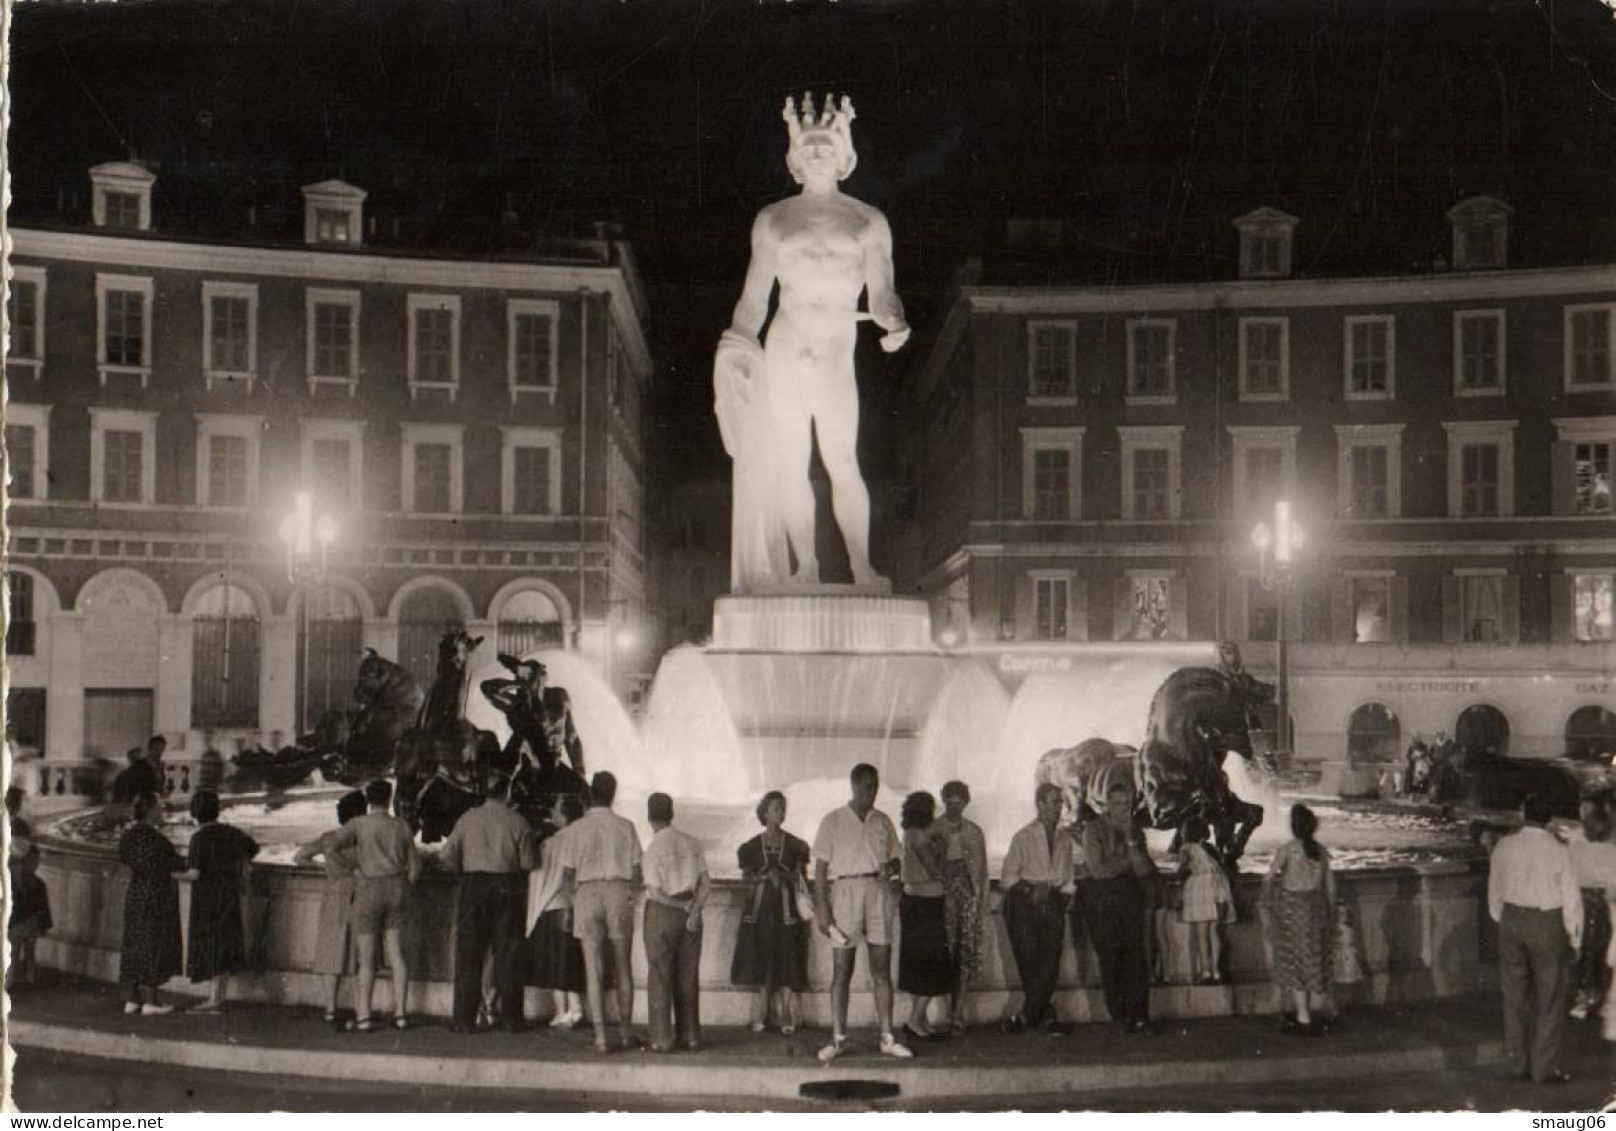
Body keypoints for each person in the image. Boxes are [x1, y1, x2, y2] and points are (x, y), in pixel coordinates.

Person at [716, 93, 910, 591]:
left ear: (845, 156)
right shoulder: (774, 219)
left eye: (827, 144)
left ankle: (862, 568)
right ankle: (807, 567)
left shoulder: (868, 221)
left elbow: (884, 291)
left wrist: (894, 321)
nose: (818, 152)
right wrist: (736, 344)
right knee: (791, 458)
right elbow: (755, 298)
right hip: (787, 336)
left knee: (842, 459)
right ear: (795, 158)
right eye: (810, 145)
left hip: (835, 342)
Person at [811, 763, 912, 1062]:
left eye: (875, 785)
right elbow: (819, 870)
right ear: (854, 786)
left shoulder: (882, 821)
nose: (872, 791)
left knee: (881, 969)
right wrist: (823, 911)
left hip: (878, 893)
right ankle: (838, 1038)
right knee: (842, 970)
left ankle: (887, 1037)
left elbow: (897, 860)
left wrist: (891, 868)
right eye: (867, 785)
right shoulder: (833, 820)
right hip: (844, 894)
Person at [1489, 793, 1583, 1082]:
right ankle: (1543, 1069)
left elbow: (1495, 889)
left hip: (1512, 919)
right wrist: (1574, 938)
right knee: (1550, 996)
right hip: (1547, 922)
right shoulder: (1559, 850)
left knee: (1513, 994)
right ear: (1551, 820)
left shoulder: (1504, 845)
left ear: (1523, 813)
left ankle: (1516, 1062)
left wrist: (1502, 918)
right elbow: (1571, 898)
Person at [440, 766, 538, 1034]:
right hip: (508, 887)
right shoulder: (517, 821)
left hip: (473, 885)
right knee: (508, 953)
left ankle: (463, 1020)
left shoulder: (467, 819)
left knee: (469, 953)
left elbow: (446, 857)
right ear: (507, 792)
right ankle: (511, 1019)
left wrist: (464, 871)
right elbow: (529, 862)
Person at [323, 779, 420, 1032]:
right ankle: (400, 1014)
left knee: (366, 959)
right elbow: (415, 866)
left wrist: (352, 869)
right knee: (397, 954)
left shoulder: (358, 824)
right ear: (389, 799)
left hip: (368, 890)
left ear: (368, 800)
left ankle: (364, 1017)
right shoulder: (402, 826)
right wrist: (406, 887)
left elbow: (330, 845)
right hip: (397, 889)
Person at [560, 770, 642, 1054]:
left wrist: (571, 906)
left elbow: (567, 874)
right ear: (613, 794)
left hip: (586, 893)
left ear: (590, 794)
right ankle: (626, 1032)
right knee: (623, 967)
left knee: (593, 969)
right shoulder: (627, 826)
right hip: (618, 891)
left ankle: (600, 1038)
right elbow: (636, 872)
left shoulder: (576, 829)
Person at [1079, 782, 1159, 1035]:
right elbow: (1097, 869)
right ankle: (1120, 1014)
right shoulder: (1093, 830)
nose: (1122, 809)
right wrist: (1128, 861)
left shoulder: (1135, 832)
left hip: (1129, 896)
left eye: (1127, 804)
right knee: (1111, 955)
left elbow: (1144, 870)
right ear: (1107, 805)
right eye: (1117, 803)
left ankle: (1140, 1016)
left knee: (1135, 955)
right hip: (1101, 898)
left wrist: (1130, 844)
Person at [730, 789, 810, 1034]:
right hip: (761, 909)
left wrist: (783, 874)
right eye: (776, 808)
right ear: (765, 813)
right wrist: (764, 877)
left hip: (787, 910)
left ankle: (785, 1013)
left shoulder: (796, 844)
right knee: (761, 957)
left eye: (783, 808)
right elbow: (746, 879)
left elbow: (801, 879)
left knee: (787, 957)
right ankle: (763, 1012)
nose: (781, 812)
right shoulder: (751, 847)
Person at [1000, 783, 1076, 1035]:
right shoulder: (1023, 837)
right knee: (1029, 958)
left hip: (1053, 902)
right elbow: (1008, 878)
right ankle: (1045, 1013)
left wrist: (1063, 897)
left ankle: (1026, 1015)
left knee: (1051, 959)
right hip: (1025, 901)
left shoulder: (1065, 838)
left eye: (1060, 802)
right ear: (1040, 804)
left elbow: (1067, 877)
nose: (1059, 807)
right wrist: (1031, 891)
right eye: (1054, 802)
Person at [642, 793, 711, 1053]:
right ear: (672, 814)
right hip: (692, 912)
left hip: (663, 913)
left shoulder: (653, 849)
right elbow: (707, 884)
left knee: (660, 975)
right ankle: (691, 1037)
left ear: (649, 817)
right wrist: (693, 909)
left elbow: (656, 893)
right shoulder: (692, 843)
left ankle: (662, 1039)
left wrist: (678, 906)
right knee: (688, 976)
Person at [293, 789, 368, 1026]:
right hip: (361, 894)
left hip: (335, 893)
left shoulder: (329, 838)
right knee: (360, 955)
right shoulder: (365, 839)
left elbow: (299, 856)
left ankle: (330, 1009)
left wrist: (323, 869)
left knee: (330, 951)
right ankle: (361, 1009)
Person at [1265, 803, 1337, 1035]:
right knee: (1316, 957)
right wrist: (1331, 912)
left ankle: (1303, 1015)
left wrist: (1265, 899)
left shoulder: (1287, 850)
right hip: (1316, 909)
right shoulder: (1320, 851)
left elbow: (1268, 878)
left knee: (1294, 960)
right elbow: (1331, 888)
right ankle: (1327, 1009)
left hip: (1291, 910)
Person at [184, 789, 259, 1011]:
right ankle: (220, 995)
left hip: (206, 897)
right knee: (226, 940)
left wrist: (171, 874)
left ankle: (214, 999)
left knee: (210, 942)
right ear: (217, 810)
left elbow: (194, 873)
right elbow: (253, 848)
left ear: (195, 813)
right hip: (229, 893)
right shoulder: (232, 833)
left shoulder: (198, 838)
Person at [526, 793, 591, 1029]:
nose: (551, 813)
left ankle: (561, 1011)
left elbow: (539, 876)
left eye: (554, 808)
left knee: (556, 964)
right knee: (572, 961)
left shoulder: (551, 843)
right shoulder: (584, 838)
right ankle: (577, 1009)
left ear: (564, 815)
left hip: (553, 907)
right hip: (580, 905)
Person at [117, 791, 185, 1015]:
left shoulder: (128, 836)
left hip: (136, 892)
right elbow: (175, 863)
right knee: (154, 942)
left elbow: (125, 858)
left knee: (134, 942)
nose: (162, 811)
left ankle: (132, 998)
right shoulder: (156, 839)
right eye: (159, 807)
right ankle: (151, 1001)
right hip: (156, 894)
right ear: (150, 810)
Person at [897, 791, 953, 1042]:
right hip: (926, 904)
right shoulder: (920, 837)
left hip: (915, 903)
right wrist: (942, 849)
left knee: (920, 964)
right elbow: (935, 870)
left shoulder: (910, 834)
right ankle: (914, 1020)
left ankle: (921, 1019)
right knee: (931, 963)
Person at [935, 780, 988, 1034]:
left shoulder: (975, 832)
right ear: (943, 800)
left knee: (965, 954)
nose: (955, 805)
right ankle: (947, 1011)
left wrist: (980, 901)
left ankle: (958, 1012)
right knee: (946, 952)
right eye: (950, 800)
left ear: (966, 802)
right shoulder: (934, 829)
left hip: (969, 899)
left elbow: (982, 872)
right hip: (943, 898)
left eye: (959, 800)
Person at [1570, 800, 1616, 1020]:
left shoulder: (1577, 850)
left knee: (1585, 952)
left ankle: (1583, 999)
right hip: (1607, 905)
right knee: (1605, 952)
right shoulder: (1612, 852)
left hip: (1583, 903)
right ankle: (1602, 997)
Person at [1178, 814, 1235, 985]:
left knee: (1201, 934)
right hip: (1218, 888)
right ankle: (1217, 971)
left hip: (1199, 890)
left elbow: (1182, 870)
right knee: (1214, 931)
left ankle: (1205, 971)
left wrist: (1182, 873)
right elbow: (1222, 866)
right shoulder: (1209, 847)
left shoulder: (1186, 847)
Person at [8, 844, 51, 989]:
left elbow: (44, 907)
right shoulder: (20, 882)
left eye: (36, 862)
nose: (34, 865)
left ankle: (27, 979)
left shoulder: (38, 884)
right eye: (31, 862)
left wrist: (44, 925)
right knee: (14, 953)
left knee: (28, 952)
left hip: (26, 923)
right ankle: (11, 981)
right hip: (19, 923)